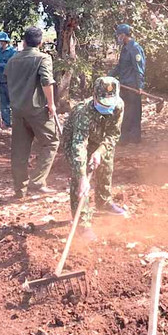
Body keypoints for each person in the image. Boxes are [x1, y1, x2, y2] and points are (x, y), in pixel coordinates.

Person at [63, 76, 128, 239]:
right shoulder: (82, 111)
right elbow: (79, 145)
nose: (107, 107)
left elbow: (113, 134)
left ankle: (103, 202)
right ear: (94, 97)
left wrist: (99, 151)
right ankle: (82, 223)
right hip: (76, 140)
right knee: (80, 182)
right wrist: (83, 177)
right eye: (103, 103)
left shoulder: (118, 106)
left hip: (100, 140)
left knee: (106, 166)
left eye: (110, 103)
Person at [4, 26, 61, 198]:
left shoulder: (12, 60)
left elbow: (7, 81)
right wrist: (51, 104)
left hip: (18, 110)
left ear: (24, 41)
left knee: (19, 152)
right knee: (51, 142)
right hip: (37, 110)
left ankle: (19, 190)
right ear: (40, 42)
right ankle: (37, 182)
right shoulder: (43, 58)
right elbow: (46, 81)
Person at [109, 24, 145, 144]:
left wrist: (140, 86)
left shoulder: (134, 48)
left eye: (119, 35)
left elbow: (139, 69)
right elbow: (120, 67)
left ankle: (134, 138)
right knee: (124, 112)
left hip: (133, 87)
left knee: (134, 113)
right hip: (124, 85)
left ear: (124, 35)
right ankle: (124, 138)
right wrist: (108, 76)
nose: (118, 37)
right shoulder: (124, 48)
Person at [0, 32, 17, 127]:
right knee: (3, 103)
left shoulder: (12, 52)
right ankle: (6, 122)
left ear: (5, 41)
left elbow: (14, 65)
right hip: (1, 80)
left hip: (11, 81)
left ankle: (17, 122)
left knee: (13, 102)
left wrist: (1, 64)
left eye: (0, 41)